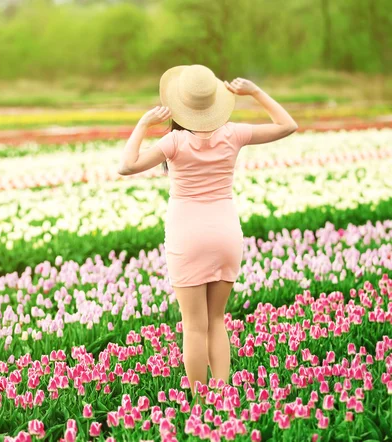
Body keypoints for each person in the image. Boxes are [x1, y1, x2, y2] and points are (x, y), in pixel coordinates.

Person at [117, 64, 298, 404]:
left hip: (188, 235)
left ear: (180, 105)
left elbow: (126, 166)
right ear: (215, 102)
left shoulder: (173, 141)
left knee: (195, 326)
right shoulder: (234, 133)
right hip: (226, 233)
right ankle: (222, 397)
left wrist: (143, 124)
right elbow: (288, 125)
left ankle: (200, 404)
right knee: (217, 319)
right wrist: (255, 92)